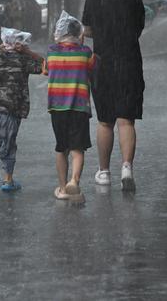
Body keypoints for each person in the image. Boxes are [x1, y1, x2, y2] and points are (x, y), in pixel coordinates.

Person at [82, 0, 145, 192]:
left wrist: (100, 32)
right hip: (130, 64)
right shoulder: (134, 0)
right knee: (126, 120)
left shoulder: (93, 0)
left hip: (103, 65)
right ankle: (127, 167)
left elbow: (87, 30)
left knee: (105, 121)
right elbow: (138, 29)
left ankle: (104, 172)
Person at [0, 28, 44, 192]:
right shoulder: (23, 60)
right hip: (11, 111)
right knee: (8, 146)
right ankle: (8, 181)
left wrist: (2, 50)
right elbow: (46, 66)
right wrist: (28, 51)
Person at [46, 11, 95, 203]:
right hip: (80, 108)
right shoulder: (85, 53)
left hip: (57, 108)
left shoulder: (51, 51)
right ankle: (74, 181)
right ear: (79, 34)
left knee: (61, 148)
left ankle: (62, 187)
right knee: (77, 149)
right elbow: (93, 68)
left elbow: (45, 69)